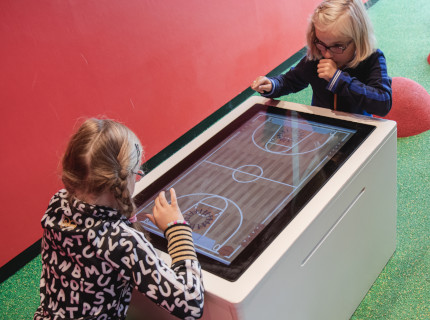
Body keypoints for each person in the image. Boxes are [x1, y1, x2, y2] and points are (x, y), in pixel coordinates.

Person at [34, 118, 204, 320]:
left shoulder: (58, 202)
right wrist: (176, 229)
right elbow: (191, 303)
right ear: (123, 180)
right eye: (136, 173)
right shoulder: (122, 241)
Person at [251, 0, 392, 117]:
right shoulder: (316, 58)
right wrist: (271, 85)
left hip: (359, 130)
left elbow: (383, 103)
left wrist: (338, 79)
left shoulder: (372, 58)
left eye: (337, 46)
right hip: (321, 129)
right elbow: (289, 81)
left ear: (358, 39)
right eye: (322, 44)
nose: (327, 55)